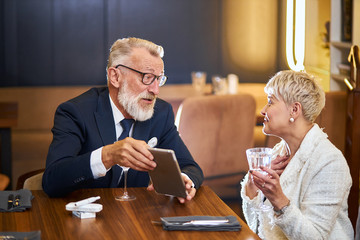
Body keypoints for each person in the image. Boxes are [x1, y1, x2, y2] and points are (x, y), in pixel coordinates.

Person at [42, 37, 203, 202]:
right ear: (115, 77)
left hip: (137, 218)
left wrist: (184, 180)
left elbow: (190, 167)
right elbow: (52, 181)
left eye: (159, 79)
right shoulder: (76, 112)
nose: (155, 90)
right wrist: (107, 155)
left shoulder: (161, 113)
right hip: (85, 218)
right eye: (147, 77)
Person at [241, 70, 354, 239]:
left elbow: (314, 237)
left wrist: (279, 201)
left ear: (294, 110)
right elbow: (256, 226)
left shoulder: (330, 162)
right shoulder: (279, 152)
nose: (263, 110)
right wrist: (253, 185)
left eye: (270, 102)